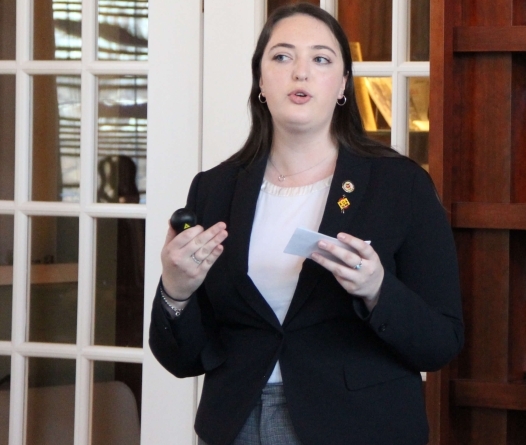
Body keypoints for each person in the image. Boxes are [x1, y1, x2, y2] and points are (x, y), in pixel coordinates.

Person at [148, 4, 463, 444]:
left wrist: (376, 290)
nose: (301, 73)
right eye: (281, 57)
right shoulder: (213, 189)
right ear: (260, 80)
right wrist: (175, 290)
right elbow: (183, 359)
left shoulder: (400, 185)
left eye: (320, 58)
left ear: (342, 86)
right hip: (234, 423)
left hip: (356, 427)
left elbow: (442, 341)